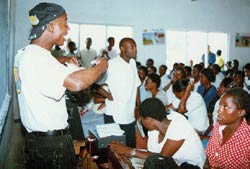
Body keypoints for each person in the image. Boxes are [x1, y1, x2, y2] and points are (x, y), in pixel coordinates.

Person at [14, 3, 108, 168]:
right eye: (65, 22)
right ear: (50, 27)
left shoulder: (25, 54)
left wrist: (61, 60)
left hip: (39, 142)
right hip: (51, 147)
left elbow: (42, 69)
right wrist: (101, 66)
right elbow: (77, 83)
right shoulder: (38, 59)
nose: (68, 28)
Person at [109, 98, 206, 168]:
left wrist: (129, 151)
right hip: (173, 164)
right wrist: (125, 151)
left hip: (192, 166)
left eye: (141, 119)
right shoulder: (153, 130)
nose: (140, 122)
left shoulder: (178, 124)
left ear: (149, 120)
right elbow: (152, 154)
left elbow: (160, 159)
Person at [104, 37, 141, 147]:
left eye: (135, 47)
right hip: (114, 113)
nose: (135, 50)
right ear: (122, 48)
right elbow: (94, 83)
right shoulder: (111, 64)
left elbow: (137, 85)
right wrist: (107, 95)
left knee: (130, 148)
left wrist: (139, 106)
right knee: (115, 151)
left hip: (129, 114)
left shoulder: (133, 63)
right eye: (132, 47)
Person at [206, 88, 250, 168]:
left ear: (241, 112)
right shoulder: (218, 126)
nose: (219, 110)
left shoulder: (247, 140)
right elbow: (210, 154)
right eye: (220, 105)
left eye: (225, 107)